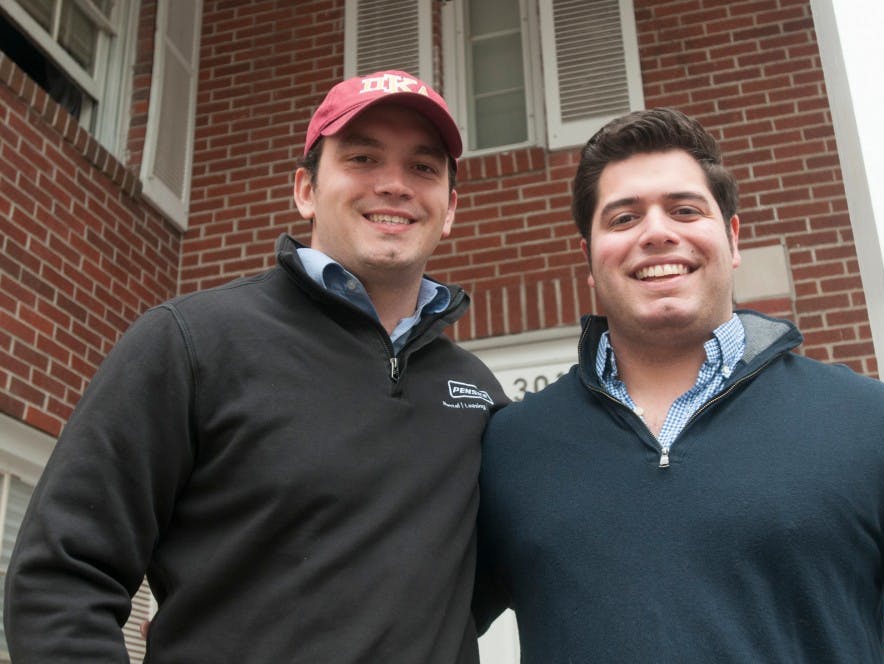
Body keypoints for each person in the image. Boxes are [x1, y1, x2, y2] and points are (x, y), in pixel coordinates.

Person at [4, 70, 507, 663]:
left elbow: (473, 589)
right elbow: (61, 578)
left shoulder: (476, 393)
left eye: (422, 167)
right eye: (363, 158)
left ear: (448, 209)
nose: (394, 185)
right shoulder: (191, 343)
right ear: (305, 190)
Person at [473, 108, 884, 662]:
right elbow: (419, 623)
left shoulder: (871, 423)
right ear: (589, 258)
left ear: (732, 237)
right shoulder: (513, 446)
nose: (657, 232)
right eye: (624, 218)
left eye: (684, 209)